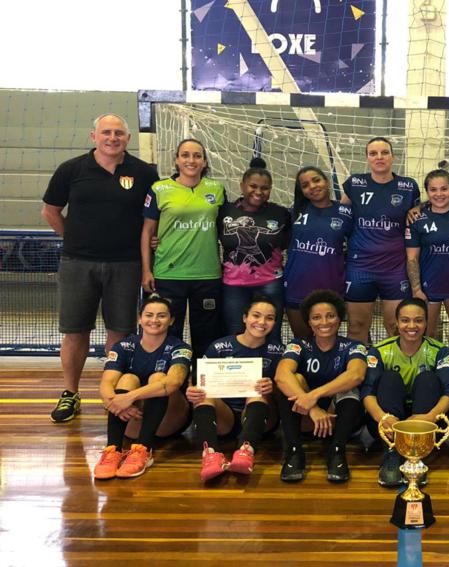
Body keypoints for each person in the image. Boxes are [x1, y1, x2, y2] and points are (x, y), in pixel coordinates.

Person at [42, 113, 159, 423]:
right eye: (106, 132)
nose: (112, 138)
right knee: (75, 332)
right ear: (93, 136)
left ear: (128, 139)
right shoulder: (71, 170)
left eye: (118, 133)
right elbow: (50, 211)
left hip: (126, 264)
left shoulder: (144, 173)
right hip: (78, 263)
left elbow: (154, 216)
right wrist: (75, 237)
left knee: (120, 334)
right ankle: (70, 394)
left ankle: (114, 395)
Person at [141, 138, 226, 360]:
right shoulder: (160, 189)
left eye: (197, 156)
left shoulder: (216, 189)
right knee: (168, 334)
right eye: (185, 155)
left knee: (206, 337)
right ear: (177, 160)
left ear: (205, 162)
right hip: (169, 273)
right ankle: (168, 387)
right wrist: (146, 271)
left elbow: (225, 229)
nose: (191, 160)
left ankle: (201, 389)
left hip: (207, 275)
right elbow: (147, 232)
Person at [93, 295, 192, 479]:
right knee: (127, 379)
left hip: (168, 421)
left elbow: (174, 383)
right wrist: (113, 403)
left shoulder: (180, 347)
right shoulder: (123, 346)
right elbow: (106, 383)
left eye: (161, 316)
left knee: (159, 378)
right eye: (149, 315)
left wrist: (129, 398)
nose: (154, 320)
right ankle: (112, 450)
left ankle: (144, 450)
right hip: (131, 419)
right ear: (140, 318)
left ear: (171, 320)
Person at [186, 296, 283, 481]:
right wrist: (192, 390)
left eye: (269, 318)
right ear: (244, 318)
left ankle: (246, 451)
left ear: (275, 323)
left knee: (257, 394)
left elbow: (286, 393)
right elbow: (199, 381)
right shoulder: (220, 347)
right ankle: (211, 455)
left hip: (262, 418)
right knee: (203, 395)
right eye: (256, 315)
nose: (262, 322)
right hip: (226, 418)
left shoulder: (279, 351)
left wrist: (274, 388)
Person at [361, 297, 449, 487]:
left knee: (428, 379)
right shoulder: (379, 351)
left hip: (427, 422)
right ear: (396, 322)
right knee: (389, 378)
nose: (411, 326)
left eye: (418, 320)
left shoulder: (441, 351)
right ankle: (392, 454)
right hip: (388, 422)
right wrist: (383, 418)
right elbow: (367, 392)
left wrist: (427, 419)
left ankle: (418, 455)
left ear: (427, 322)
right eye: (405, 320)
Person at [275, 290, 367, 483]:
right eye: (317, 317)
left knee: (349, 386)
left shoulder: (353, 347)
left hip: (340, 418)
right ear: (309, 322)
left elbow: (357, 374)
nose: (324, 322)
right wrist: (313, 408)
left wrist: (313, 396)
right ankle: (294, 452)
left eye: (330, 316)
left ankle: (337, 452)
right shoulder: (298, 345)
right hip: (308, 418)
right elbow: (281, 376)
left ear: (340, 319)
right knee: (293, 380)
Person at [340, 137, 420, 344]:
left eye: (384, 152)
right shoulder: (355, 184)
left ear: (393, 156)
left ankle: (388, 372)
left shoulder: (408, 186)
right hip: (360, 267)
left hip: (394, 269)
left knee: (395, 326)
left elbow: (421, 212)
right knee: (357, 326)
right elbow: (341, 217)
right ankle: (359, 373)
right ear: (367, 158)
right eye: (373, 153)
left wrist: (419, 208)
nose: (379, 157)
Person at [218, 158, 291, 344]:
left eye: (265, 188)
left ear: (271, 189)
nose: (258, 192)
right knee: (236, 332)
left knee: (271, 334)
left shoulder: (280, 213)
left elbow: (285, 243)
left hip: (270, 282)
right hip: (234, 283)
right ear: (242, 185)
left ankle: (273, 371)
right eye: (253, 186)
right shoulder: (225, 212)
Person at [405, 169, 449, 359]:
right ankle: (429, 375)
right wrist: (416, 289)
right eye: (433, 190)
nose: (439, 194)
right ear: (427, 192)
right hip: (429, 287)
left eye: (444, 188)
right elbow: (412, 258)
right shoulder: (417, 218)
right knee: (427, 335)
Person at [284, 166, 353, 339]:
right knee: (302, 344)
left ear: (326, 181)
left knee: (328, 343)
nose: (312, 186)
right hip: (297, 288)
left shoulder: (346, 212)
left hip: (331, 289)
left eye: (316, 180)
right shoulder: (293, 213)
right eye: (305, 185)